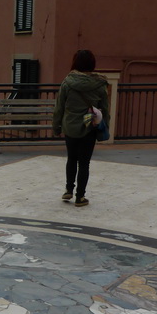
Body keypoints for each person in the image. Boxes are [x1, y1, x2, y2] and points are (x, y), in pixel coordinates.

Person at [52, 49, 109, 207]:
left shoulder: (67, 82)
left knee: (71, 158)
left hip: (70, 126)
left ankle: (69, 190)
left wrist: (56, 126)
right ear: (92, 63)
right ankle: (80, 197)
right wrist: (105, 129)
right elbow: (105, 108)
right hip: (89, 126)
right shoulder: (100, 84)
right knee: (84, 163)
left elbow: (59, 107)